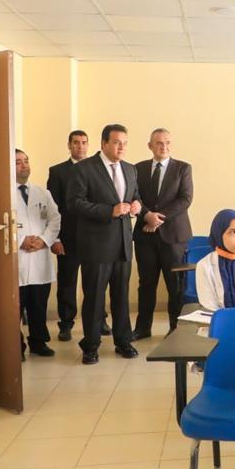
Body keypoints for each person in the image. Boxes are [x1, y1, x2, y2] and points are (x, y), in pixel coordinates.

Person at [67, 123, 144, 365]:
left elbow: (135, 196)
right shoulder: (84, 169)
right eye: (117, 142)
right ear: (104, 143)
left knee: (121, 296)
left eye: (125, 143)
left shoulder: (130, 169)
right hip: (96, 245)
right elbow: (74, 203)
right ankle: (90, 346)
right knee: (94, 298)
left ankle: (123, 341)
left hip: (123, 244)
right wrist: (108, 211)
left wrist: (138, 205)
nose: (121, 147)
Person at [132, 128, 194, 338]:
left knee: (175, 285)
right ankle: (143, 328)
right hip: (145, 236)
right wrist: (147, 215)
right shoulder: (138, 168)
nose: (164, 146)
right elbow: (134, 196)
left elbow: (185, 199)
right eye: (159, 143)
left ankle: (175, 329)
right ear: (150, 146)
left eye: (167, 142)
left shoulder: (183, 168)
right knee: (146, 284)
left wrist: (157, 218)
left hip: (174, 237)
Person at [47, 130, 106, 341]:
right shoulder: (58, 172)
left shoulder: (98, 169)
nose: (80, 146)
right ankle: (66, 323)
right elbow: (53, 208)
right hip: (68, 238)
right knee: (67, 282)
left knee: (97, 282)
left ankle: (100, 320)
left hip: (94, 237)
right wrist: (55, 238)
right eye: (76, 143)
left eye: (83, 142)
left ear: (88, 145)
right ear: (69, 145)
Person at [14, 149, 60, 358]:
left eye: (26, 161)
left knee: (39, 305)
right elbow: (3, 221)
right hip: (19, 257)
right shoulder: (4, 192)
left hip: (40, 255)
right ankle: (16, 346)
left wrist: (45, 239)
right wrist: (20, 240)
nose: (24, 165)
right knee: (16, 308)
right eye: (18, 162)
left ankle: (39, 342)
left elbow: (55, 218)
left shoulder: (42, 192)